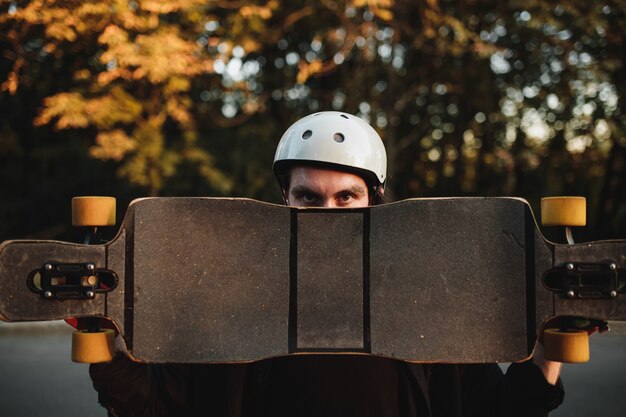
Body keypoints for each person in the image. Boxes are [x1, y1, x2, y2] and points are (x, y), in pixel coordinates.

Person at [90, 111, 564, 417]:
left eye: (346, 197)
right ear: (284, 198)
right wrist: (102, 339)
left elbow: (498, 409)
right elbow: (154, 403)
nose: (328, 214)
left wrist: (553, 344)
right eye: (309, 198)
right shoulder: (230, 292)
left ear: (375, 199)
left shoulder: (422, 299)